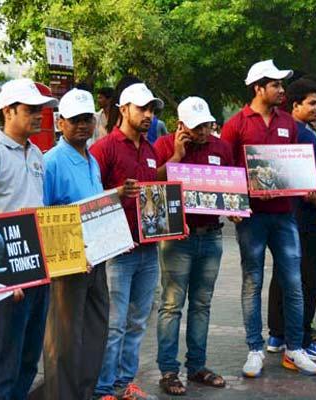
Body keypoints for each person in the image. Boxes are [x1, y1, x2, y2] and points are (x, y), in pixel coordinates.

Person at [219, 60, 316, 377]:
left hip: (284, 216)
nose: (282, 90)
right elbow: (225, 170)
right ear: (258, 88)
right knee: (253, 282)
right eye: (276, 85)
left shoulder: (288, 124)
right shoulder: (236, 124)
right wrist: (233, 206)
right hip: (251, 219)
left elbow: (293, 167)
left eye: (281, 85)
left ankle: (295, 349)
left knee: (293, 282)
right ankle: (254, 349)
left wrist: (305, 186)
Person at [0, 78, 56, 400]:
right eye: (31, 109)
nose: (38, 115)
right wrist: (1, 279)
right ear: (8, 111)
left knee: (28, 358)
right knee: (1, 362)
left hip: (38, 267)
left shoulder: (37, 154)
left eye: (40, 110)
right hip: (7, 278)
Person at [90, 83, 171, 398]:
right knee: (114, 325)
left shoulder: (150, 151)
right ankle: (104, 388)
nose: (148, 115)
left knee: (137, 322)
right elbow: (91, 199)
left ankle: (125, 384)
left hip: (148, 250)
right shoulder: (105, 148)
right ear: (123, 109)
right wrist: (117, 194)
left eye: (151, 109)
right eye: (142, 108)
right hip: (117, 253)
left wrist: (172, 226)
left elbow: (154, 200)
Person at [151, 96, 237, 394]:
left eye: (207, 126)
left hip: (212, 236)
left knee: (202, 304)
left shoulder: (221, 148)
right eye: (197, 127)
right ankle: (168, 371)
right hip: (178, 241)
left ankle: (197, 365)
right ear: (181, 125)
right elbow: (152, 186)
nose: (203, 133)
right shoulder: (163, 146)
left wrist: (236, 208)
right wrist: (176, 155)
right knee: (172, 305)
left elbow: (232, 187)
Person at [34, 88, 113, 400]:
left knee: (95, 332)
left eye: (87, 119)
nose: (82, 125)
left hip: (98, 259)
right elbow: (43, 214)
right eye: (75, 120)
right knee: (64, 341)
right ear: (60, 123)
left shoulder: (91, 159)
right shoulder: (51, 162)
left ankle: (84, 393)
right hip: (67, 264)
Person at [268, 77, 316, 369]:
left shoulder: (291, 131)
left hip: (288, 213)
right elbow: (307, 183)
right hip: (307, 214)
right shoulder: (301, 135)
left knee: (285, 275)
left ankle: (277, 335)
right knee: (308, 279)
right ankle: (300, 338)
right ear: (296, 105)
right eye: (313, 102)